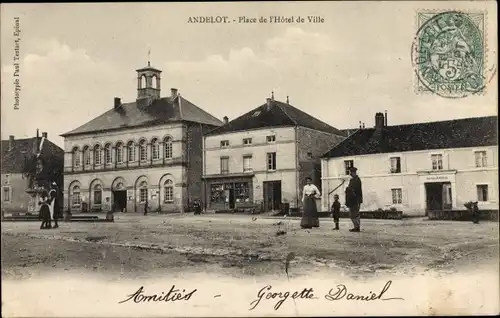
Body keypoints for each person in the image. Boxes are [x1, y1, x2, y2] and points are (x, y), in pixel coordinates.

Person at [345, 166, 363, 232]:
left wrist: (348, 189)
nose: (350, 174)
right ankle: (356, 226)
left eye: (351, 172)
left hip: (355, 200)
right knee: (353, 214)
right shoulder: (353, 180)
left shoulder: (357, 180)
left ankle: (357, 227)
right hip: (352, 200)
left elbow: (355, 190)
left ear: (354, 172)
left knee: (354, 214)